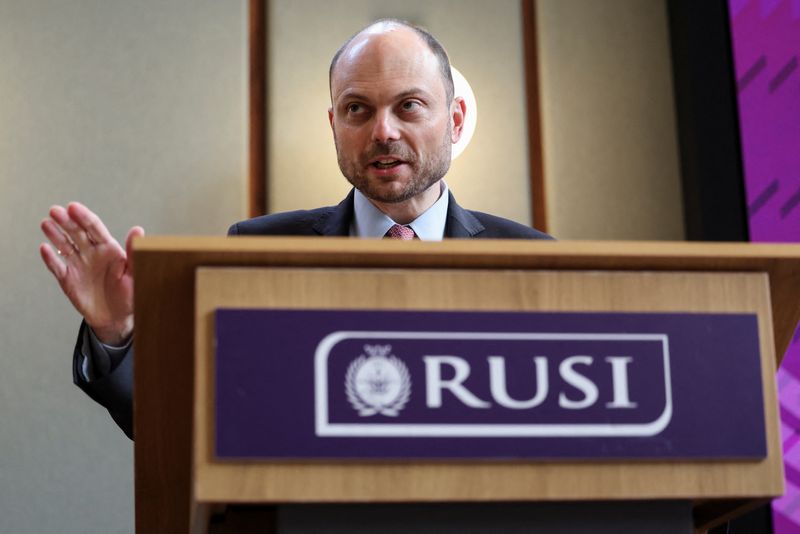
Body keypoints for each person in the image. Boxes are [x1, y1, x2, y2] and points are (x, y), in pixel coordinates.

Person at [38, 19, 552, 439]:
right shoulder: (257, 250)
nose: (383, 131)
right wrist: (120, 333)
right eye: (358, 109)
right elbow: (179, 423)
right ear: (334, 125)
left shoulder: (534, 263)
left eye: (408, 105)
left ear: (456, 120)